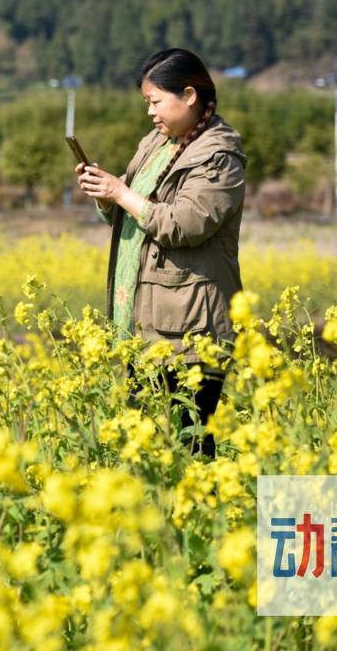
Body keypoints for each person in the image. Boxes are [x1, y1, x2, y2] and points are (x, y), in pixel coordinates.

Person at [75, 48, 246, 456]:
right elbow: (135, 212)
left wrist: (121, 192)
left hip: (190, 330)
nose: (150, 113)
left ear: (189, 95)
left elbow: (182, 225)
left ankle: (203, 520)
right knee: (147, 450)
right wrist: (106, 194)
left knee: (189, 447)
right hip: (145, 322)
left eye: (155, 101)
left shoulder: (219, 156)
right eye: (147, 103)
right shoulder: (158, 142)